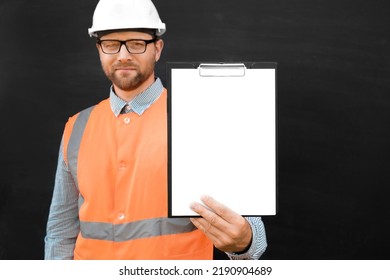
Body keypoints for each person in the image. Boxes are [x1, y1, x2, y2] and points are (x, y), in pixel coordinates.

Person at [44, 0, 267, 260]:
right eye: (111, 44)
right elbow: (60, 232)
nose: (123, 55)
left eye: (137, 43)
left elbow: (252, 238)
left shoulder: (199, 118)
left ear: (157, 48)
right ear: (99, 50)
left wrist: (244, 243)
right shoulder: (78, 126)